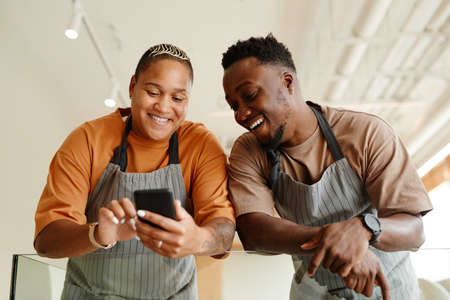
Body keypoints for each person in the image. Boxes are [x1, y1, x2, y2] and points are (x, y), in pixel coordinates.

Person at [221, 34, 432, 299]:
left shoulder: (365, 134)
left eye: (249, 95)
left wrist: (365, 228)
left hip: (389, 290)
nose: (241, 114)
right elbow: (254, 232)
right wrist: (334, 239)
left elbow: (414, 230)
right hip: (314, 292)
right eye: (233, 105)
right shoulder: (248, 150)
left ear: (287, 83)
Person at [34, 43, 235, 299]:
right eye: (153, 92)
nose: (163, 107)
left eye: (177, 98)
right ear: (132, 87)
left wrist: (197, 238)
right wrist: (99, 234)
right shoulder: (88, 139)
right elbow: (46, 241)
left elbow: (225, 235)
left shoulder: (200, 144)